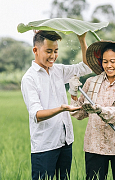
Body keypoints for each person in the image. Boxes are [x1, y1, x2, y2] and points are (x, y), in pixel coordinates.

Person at [21, 30, 92, 180]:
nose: (53, 56)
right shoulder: (29, 79)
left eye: (55, 51)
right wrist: (62, 108)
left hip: (65, 140)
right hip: (45, 145)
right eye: (48, 51)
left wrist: (82, 40)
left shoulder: (58, 70)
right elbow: (37, 115)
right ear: (35, 50)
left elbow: (86, 67)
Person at [69, 40, 115, 180]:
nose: (108, 65)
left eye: (113, 61)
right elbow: (79, 113)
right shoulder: (91, 82)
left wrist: (100, 110)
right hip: (94, 145)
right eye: (105, 61)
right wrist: (73, 93)